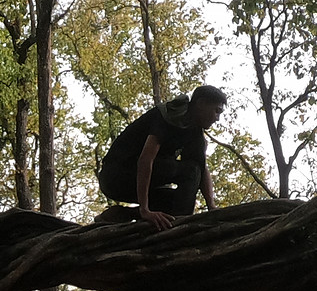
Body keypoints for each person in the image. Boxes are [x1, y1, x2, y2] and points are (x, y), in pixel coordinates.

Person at [97, 85, 226, 230]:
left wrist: (212, 207)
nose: (217, 118)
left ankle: (121, 214)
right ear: (201, 104)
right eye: (216, 111)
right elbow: (146, 160)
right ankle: (180, 225)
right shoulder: (168, 116)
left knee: (177, 200)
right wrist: (145, 210)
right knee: (190, 171)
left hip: (138, 181)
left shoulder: (194, 131)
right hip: (115, 176)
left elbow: (201, 168)